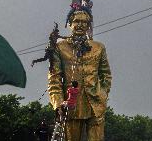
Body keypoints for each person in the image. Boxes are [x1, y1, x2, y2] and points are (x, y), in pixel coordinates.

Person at [48, 10, 112, 141]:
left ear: (89, 26)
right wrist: (58, 103)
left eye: (84, 22)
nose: (80, 25)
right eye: (77, 21)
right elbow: (54, 78)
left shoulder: (98, 47)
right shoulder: (60, 47)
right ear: (70, 24)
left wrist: (103, 94)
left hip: (96, 104)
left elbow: (106, 74)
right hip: (72, 105)